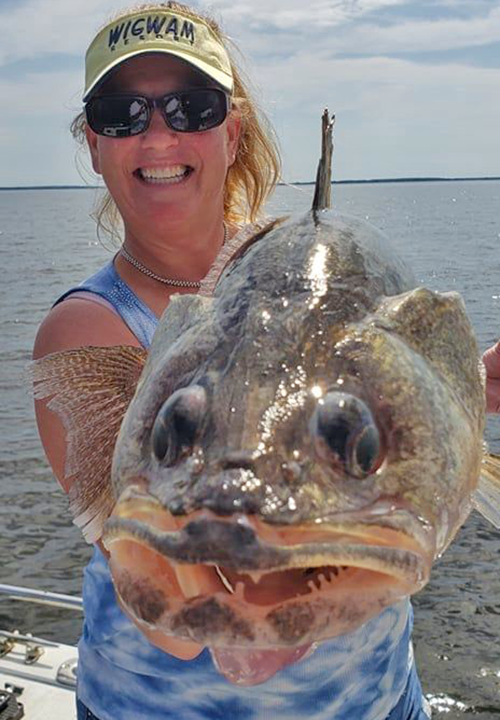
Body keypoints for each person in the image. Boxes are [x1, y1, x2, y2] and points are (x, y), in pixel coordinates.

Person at [33, 3, 431, 719]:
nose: (158, 134)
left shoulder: (304, 267)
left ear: (232, 130)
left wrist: (452, 410)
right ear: (94, 144)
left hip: (382, 699)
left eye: (191, 107)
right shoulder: (87, 330)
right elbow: (181, 623)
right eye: (123, 113)